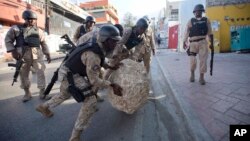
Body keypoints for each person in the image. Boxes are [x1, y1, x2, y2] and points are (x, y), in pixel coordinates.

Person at [36, 25, 123, 141]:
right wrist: (112, 85)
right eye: (113, 41)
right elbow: (95, 80)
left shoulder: (97, 43)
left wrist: (110, 66)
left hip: (67, 71)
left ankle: (44, 106)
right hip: (70, 74)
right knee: (91, 100)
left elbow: (99, 61)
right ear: (105, 40)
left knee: (65, 94)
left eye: (117, 41)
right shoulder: (94, 55)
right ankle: (75, 136)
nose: (115, 44)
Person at [5, 10, 51, 102]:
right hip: (22, 54)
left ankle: (42, 92)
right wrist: (13, 51)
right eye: (29, 19)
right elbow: (8, 40)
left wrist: (47, 54)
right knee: (23, 74)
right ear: (24, 19)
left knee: (41, 72)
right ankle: (27, 93)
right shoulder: (16, 29)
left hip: (37, 53)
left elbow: (43, 43)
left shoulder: (39, 31)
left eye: (33, 19)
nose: (31, 21)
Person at [183, 4, 212, 85]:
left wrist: (211, 43)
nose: (197, 12)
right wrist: (184, 41)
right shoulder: (191, 21)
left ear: (202, 11)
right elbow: (186, 32)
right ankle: (192, 74)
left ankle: (201, 77)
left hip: (203, 42)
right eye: (196, 11)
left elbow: (210, 32)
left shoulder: (206, 20)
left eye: (199, 11)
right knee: (193, 60)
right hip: (193, 43)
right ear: (194, 12)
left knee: (203, 60)